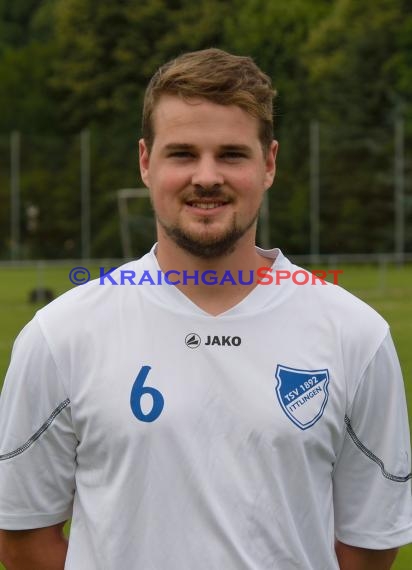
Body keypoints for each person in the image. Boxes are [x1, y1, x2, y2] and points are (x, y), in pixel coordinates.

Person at [0, 48, 411, 570]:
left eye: (233, 155)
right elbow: (23, 537)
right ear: (146, 162)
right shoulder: (60, 336)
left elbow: (369, 543)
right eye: (183, 153)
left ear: (270, 164)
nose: (207, 176)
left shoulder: (356, 336)